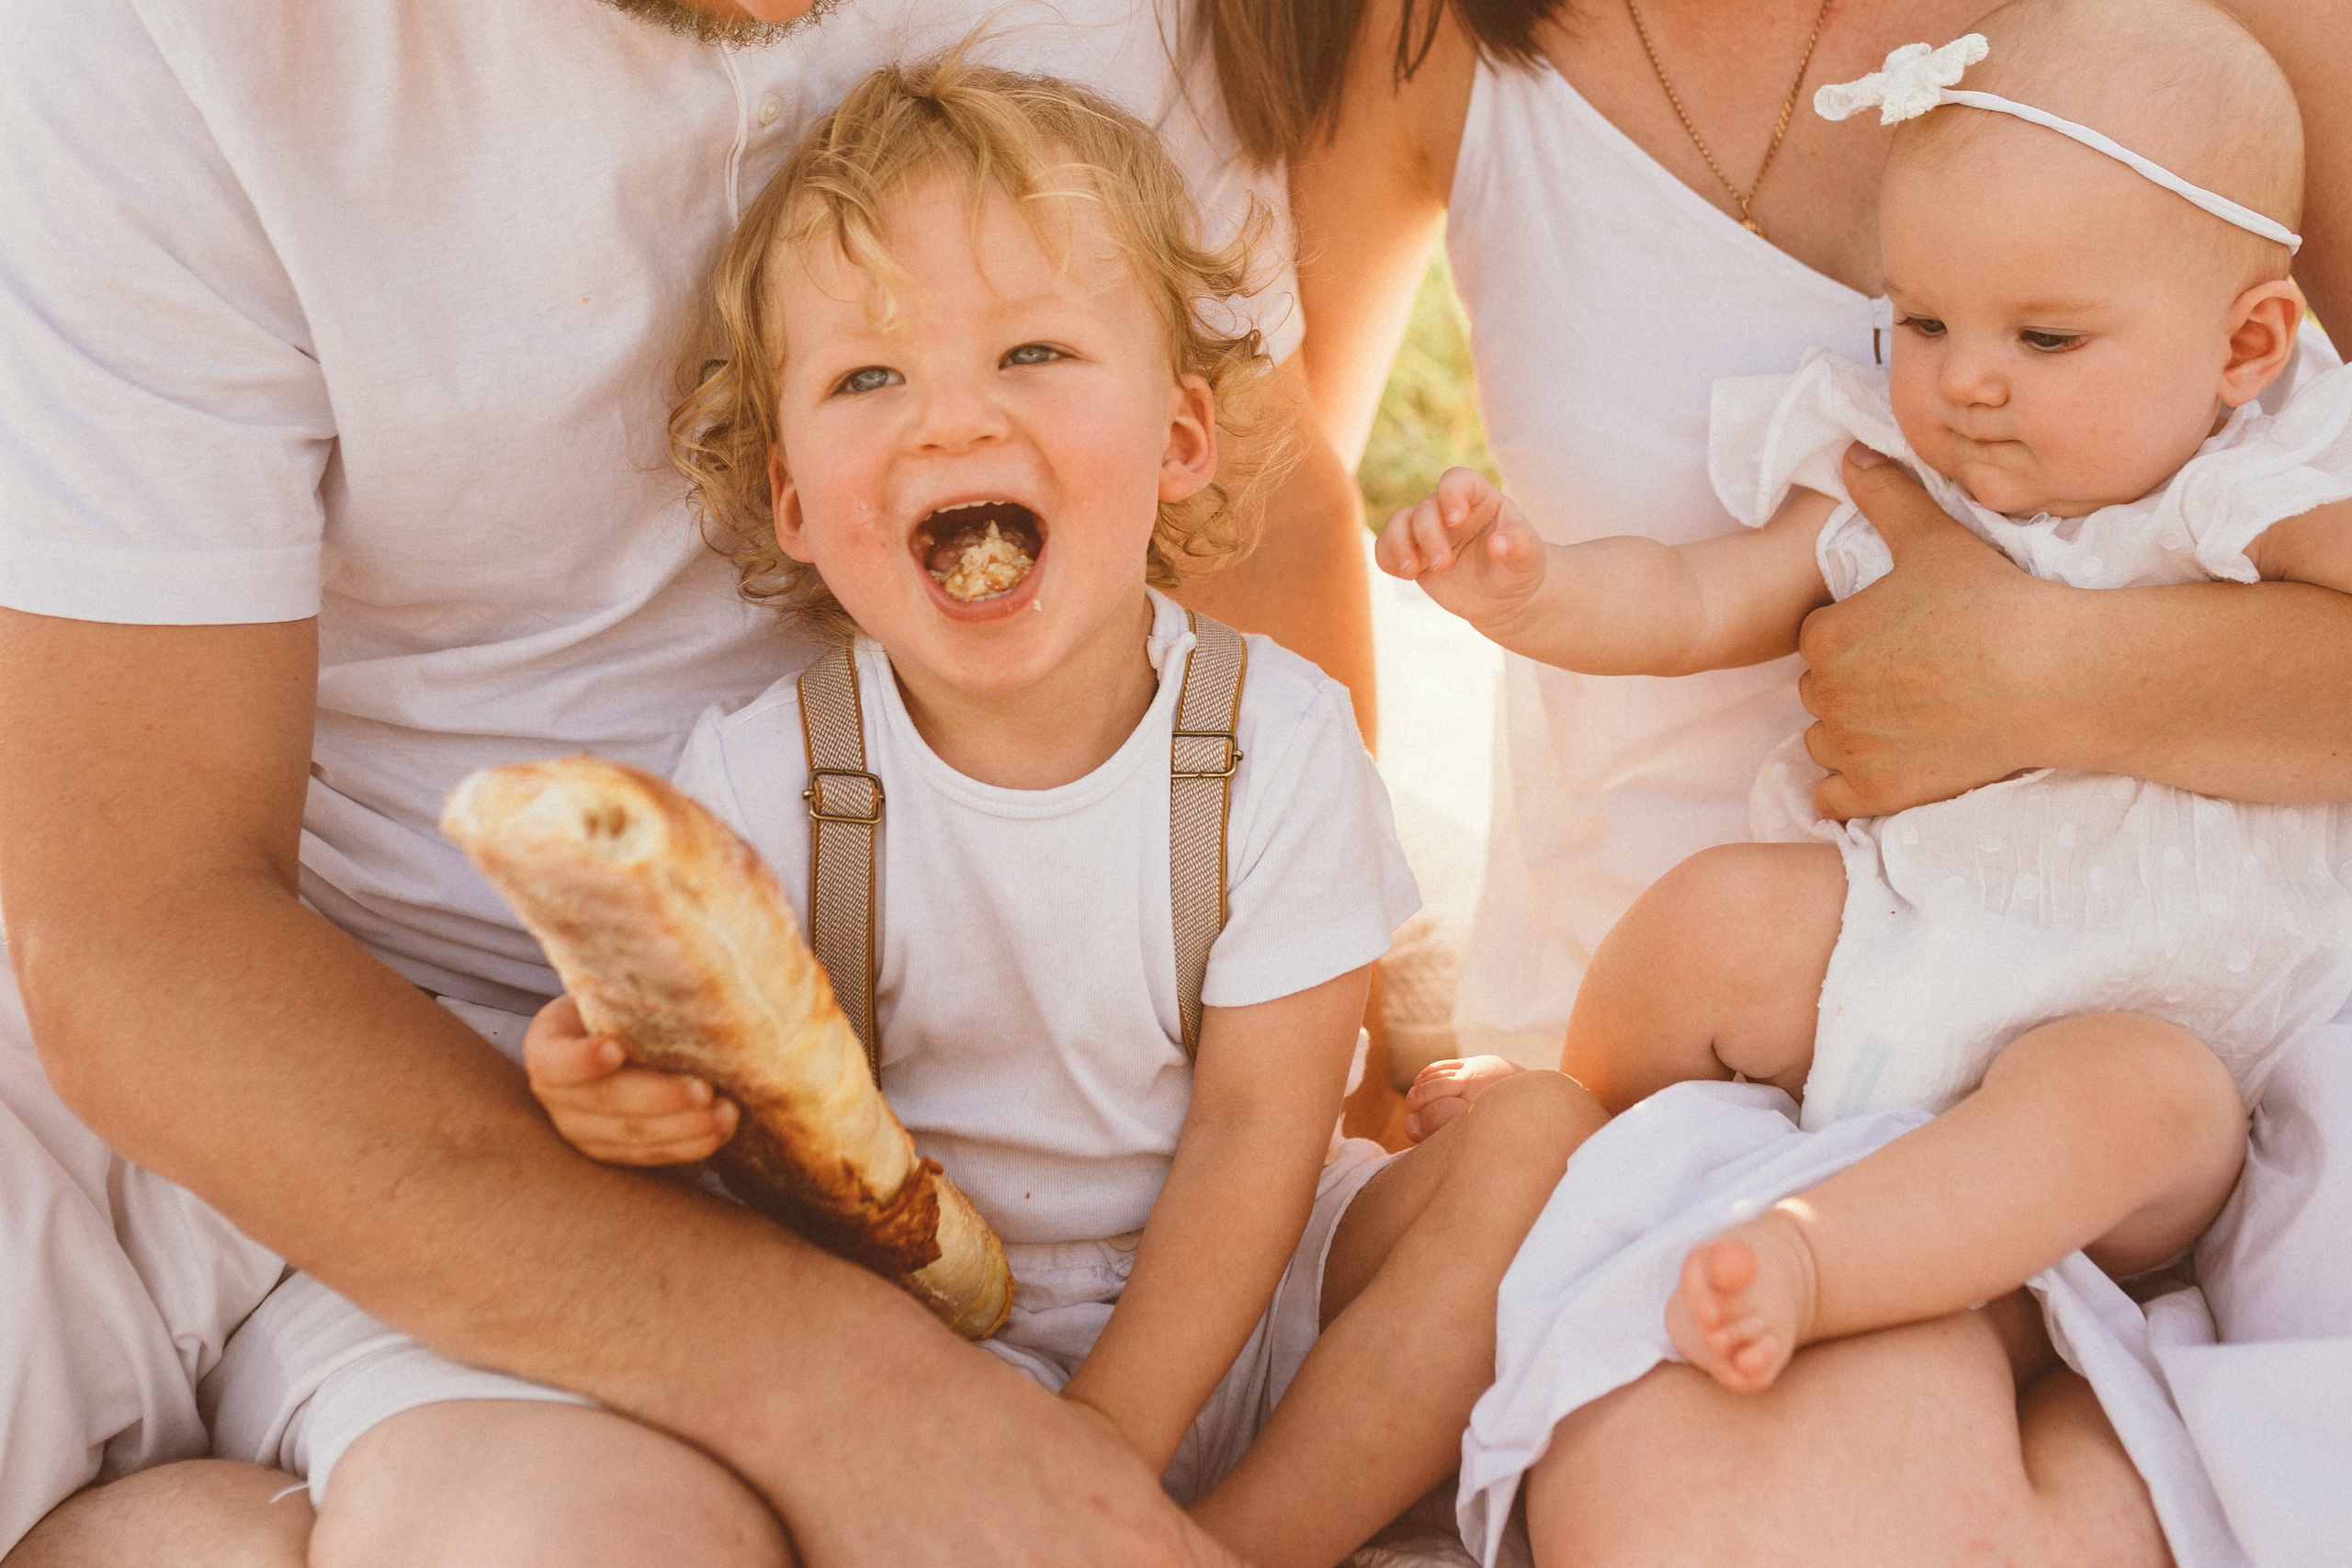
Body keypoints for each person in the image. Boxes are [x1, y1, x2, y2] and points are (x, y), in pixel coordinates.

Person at [0, 0, 1364, 1562]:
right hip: (287, 1029)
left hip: (809, 1126)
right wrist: (868, 1408)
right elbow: (137, 928)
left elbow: (1262, 507)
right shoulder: (148, 40)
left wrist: (1323, 1034)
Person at [1274, 0, 2352, 1558]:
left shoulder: (2259, 469)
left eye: (2042, 341)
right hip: (1901, 955)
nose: (1970, 383)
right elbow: (1695, 600)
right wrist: (1528, 586)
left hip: (2187, 1034)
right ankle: (1564, 1127)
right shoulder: (1890, 459)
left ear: (2248, 344)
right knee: (1711, 924)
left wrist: (2039, 672)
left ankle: (1830, 1258)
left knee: (2113, 1102)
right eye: (1922, 326)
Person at [493, 62, 1603, 1568]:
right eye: (868, 379)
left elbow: (1265, 1121)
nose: (955, 419)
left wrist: (1104, 1448)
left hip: (1246, 1294)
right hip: (907, 1356)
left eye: (1034, 350)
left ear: (1180, 443)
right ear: (798, 502)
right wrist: (599, 1083)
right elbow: (712, 1091)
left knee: (1535, 1139)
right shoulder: (764, 780)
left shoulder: (1271, 741)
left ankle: (1234, 1546)